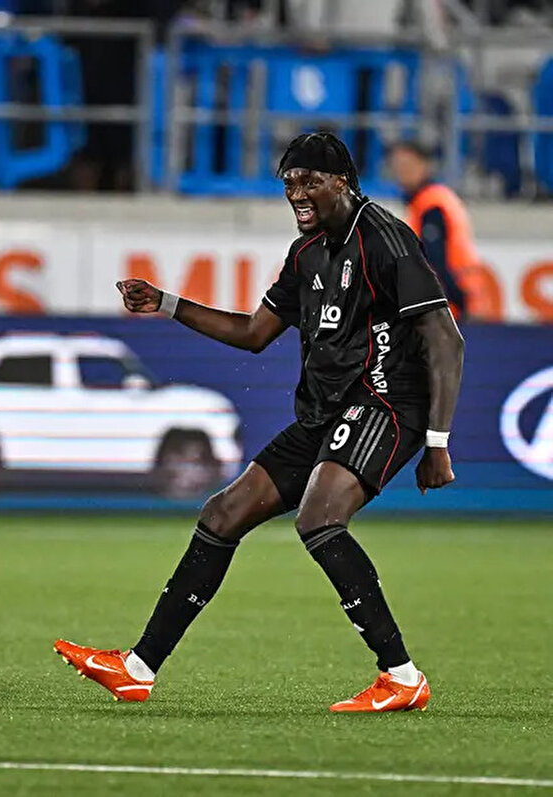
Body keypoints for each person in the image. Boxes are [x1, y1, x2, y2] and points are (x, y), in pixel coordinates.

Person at [55, 132, 465, 713]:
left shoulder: (384, 238)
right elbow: (253, 333)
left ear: (342, 182)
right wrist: (166, 303)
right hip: (325, 412)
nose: (297, 193)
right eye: (289, 183)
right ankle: (137, 669)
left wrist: (437, 442)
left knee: (319, 517)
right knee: (222, 514)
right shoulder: (306, 254)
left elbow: (445, 338)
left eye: (310, 181)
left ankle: (401, 676)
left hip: (386, 404)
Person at [389, 140, 482, 319]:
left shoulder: (430, 205)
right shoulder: (433, 199)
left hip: (448, 305)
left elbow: (435, 259)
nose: (402, 172)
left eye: (408, 165)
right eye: (398, 166)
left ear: (424, 166)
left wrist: (455, 300)